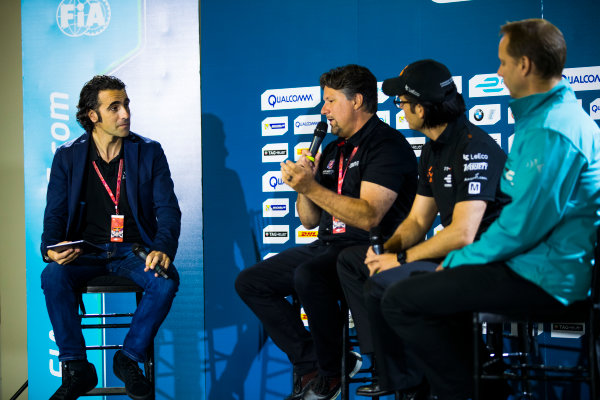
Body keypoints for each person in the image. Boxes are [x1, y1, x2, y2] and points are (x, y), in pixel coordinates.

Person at [379, 19, 600, 400]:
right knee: (419, 287)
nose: (497, 71)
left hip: (545, 277)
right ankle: (480, 390)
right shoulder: (548, 118)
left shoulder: (550, 128)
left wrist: (455, 261)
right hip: (536, 265)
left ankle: (474, 395)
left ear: (525, 66)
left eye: (502, 62)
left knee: (403, 298)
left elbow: (518, 230)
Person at [235, 64, 418, 400]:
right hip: (328, 244)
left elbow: (369, 216)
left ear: (358, 101)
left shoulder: (386, 145)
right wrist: (305, 186)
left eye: (331, 101)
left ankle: (331, 372)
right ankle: (314, 363)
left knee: (309, 274)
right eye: (324, 101)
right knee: (251, 281)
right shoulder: (333, 149)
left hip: (368, 249)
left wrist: (312, 187)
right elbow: (308, 220)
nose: (324, 110)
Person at [336, 59, 510, 398]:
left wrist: (400, 262)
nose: (399, 108)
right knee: (361, 265)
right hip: (458, 258)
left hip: (491, 262)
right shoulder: (432, 148)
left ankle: (421, 383)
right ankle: (408, 381)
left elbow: (463, 232)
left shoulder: (474, 145)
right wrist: (384, 253)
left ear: (421, 106)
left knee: (392, 285)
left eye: (402, 101)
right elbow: (417, 221)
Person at [41, 75, 181, 400]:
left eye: (126, 105)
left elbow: (168, 209)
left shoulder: (149, 152)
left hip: (133, 251)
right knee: (52, 275)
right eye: (114, 107)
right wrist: (51, 250)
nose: (125, 114)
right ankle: (77, 367)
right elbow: (55, 213)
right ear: (93, 115)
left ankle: (128, 357)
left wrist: (162, 248)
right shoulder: (68, 156)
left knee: (165, 280)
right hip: (85, 252)